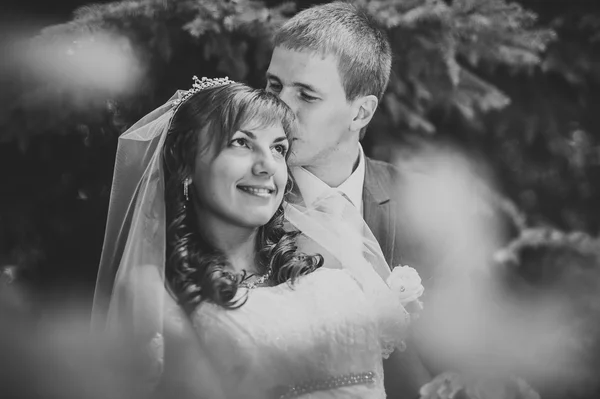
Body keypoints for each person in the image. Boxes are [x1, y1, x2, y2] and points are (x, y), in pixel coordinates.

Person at [92, 77, 423, 399]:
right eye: (241, 143)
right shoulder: (152, 289)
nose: (268, 165)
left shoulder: (325, 246)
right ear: (187, 165)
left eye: (278, 148)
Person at [265, 1, 434, 397]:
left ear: (360, 113)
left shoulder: (422, 206)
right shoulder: (243, 203)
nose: (278, 108)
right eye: (274, 86)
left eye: (306, 95)